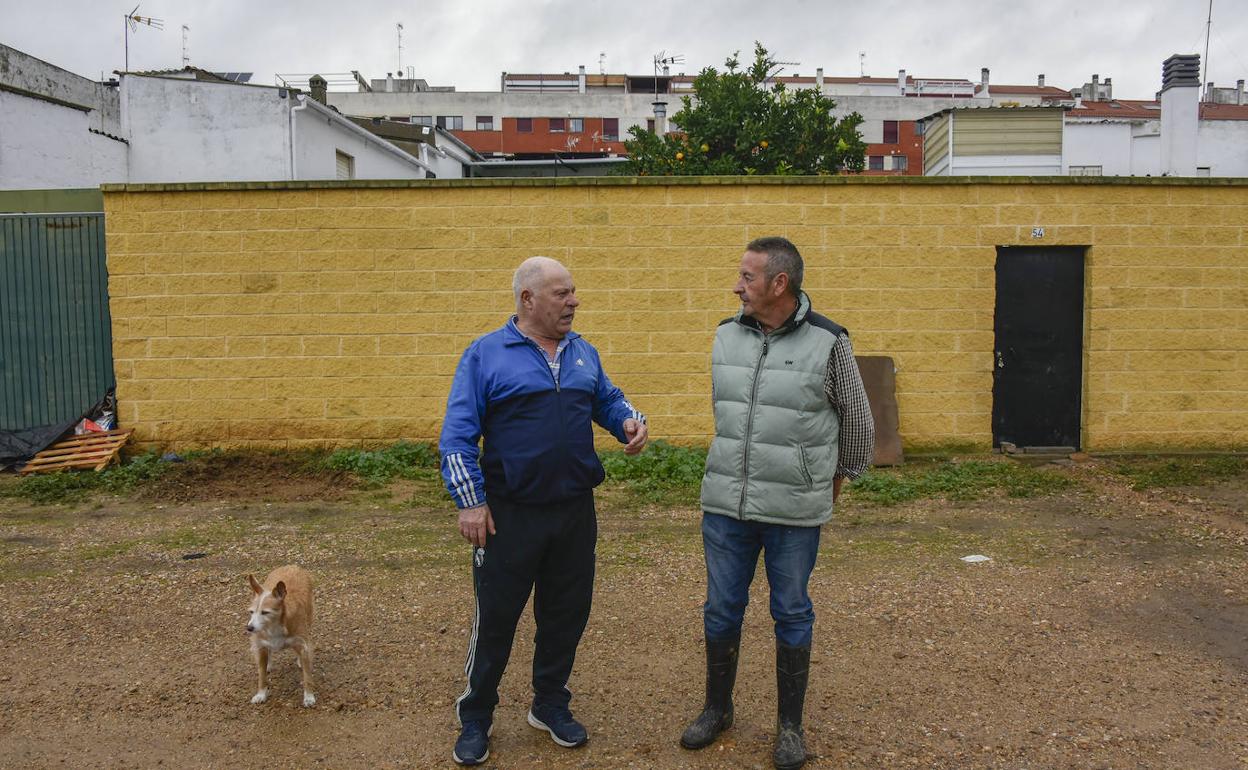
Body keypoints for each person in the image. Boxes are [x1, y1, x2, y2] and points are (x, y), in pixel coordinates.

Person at [440, 256, 648, 766]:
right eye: (562, 293)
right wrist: (471, 502)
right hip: (509, 516)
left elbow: (607, 398)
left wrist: (628, 421)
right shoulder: (486, 354)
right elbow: (457, 435)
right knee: (496, 622)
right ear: (528, 299)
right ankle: (476, 718)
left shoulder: (583, 352)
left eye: (573, 292)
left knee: (565, 615)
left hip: (574, 512)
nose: (574, 301)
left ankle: (549, 704)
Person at [681, 237, 875, 770]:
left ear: (778, 284)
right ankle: (717, 709)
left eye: (746, 277)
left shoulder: (829, 342)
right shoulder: (725, 335)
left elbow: (858, 421)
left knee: (791, 612)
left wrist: (832, 483)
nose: (736, 286)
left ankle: (790, 728)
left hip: (794, 511)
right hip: (725, 505)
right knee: (721, 608)